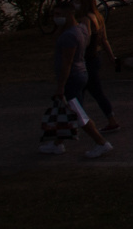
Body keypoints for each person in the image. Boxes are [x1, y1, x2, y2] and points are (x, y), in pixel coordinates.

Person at [46, 8, 113, 158]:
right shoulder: (81, 29)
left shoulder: (69, 36)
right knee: (67, 110)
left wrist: (60, 86)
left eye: (58, 14)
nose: (55, 18)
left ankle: (101, 143)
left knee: (77, 113)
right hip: (80, 74)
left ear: (68, 14)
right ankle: (57, 144)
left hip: (72, 78)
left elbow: (67, 62)